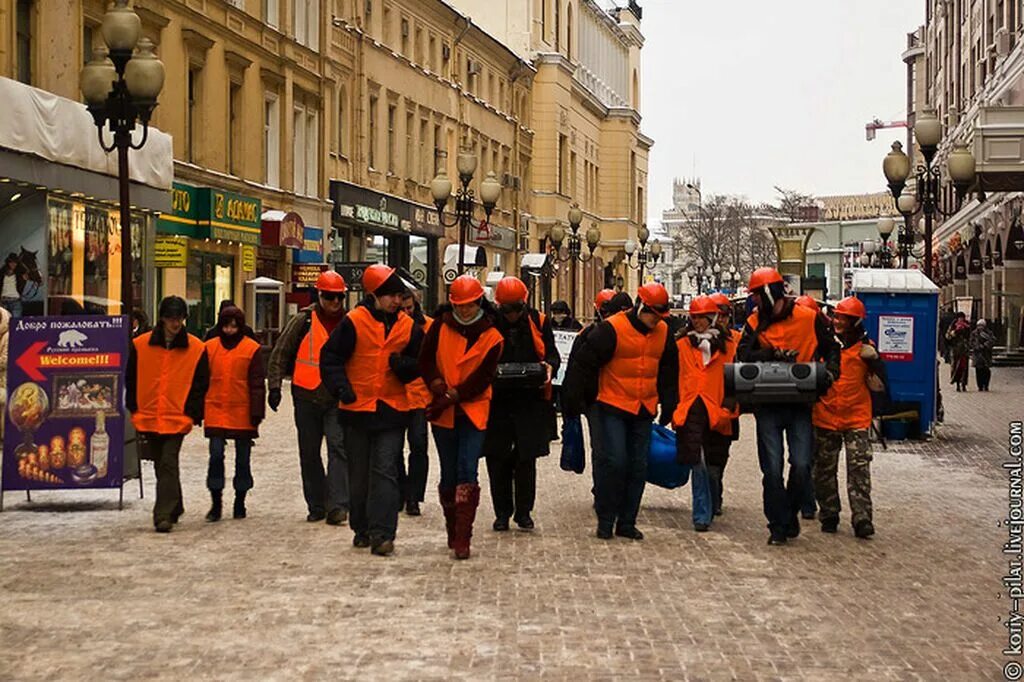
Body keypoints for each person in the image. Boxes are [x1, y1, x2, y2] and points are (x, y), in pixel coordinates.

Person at [319, 265, 422, 556]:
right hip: (357, 409)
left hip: (391, 410)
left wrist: (406, 367)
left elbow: (422, 361)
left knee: (386, 471)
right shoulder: (354, 322)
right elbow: (330, 357)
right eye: (389, 296)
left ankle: (383, 534)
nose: (396, 301)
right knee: (360, 475)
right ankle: (361, 527)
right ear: (374, 295)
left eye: (399, 296)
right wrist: (341, 387)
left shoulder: (407, 326)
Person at [563, 282, 678, 541]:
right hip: (610, 405)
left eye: (661, 317)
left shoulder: (663, 333)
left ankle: (627, 522)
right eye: (654, 315)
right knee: (614, 462)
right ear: (641, 307)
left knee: (638, 466)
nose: (657, 321)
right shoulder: (610, 330)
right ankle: (606, 519)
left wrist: (670, 403)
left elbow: (669, 371)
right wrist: (575, 402)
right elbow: (583, 364)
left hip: (643, 407)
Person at [737, 267, 840, 545]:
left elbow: (832, 347)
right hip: (768, 403)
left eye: (757, 296)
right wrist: (770, 354)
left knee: (803, 464)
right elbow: (742, 356)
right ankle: (777, 526)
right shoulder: (754, 322)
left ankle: (789, 511)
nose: (755, 302)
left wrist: (830, 373)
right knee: (771, 469)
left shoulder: (809, 317)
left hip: (800, 402)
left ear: (770, 293)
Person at [419, 275, 504, 559]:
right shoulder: (440, 325)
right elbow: (426, 359)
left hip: (473, 409)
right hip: (444, 410)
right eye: (460, 305)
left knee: (467, 469)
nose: (464, 310)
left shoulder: (493, 336)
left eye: (469, 305)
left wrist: (454, 395)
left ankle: (463, 536)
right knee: (448, 471)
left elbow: (483, 378)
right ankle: (452, 525)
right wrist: (435, 384)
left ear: (479, 301)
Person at [267, 270, 350, 524]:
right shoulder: (303, 321)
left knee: (338, 449)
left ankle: (337, 505)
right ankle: (316, 503)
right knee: (309, 452)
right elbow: (280, 352)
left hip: (337, 398)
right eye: (329, 297)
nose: (335, 302)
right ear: (319, 295)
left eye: (338, 297)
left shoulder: (351, 322)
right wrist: (274, 386)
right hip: (306, 396)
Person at [126, 296, 210, 533]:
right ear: (162, 319)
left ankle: (162, 514)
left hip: (177, 415)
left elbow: (201, 383)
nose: (176, 323)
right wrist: (133, 406)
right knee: (161, 464)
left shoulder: (196, 348)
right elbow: (130, 378)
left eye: (180, 318)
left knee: (167, 462)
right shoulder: (141, 344)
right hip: (148, 413)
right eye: (172, 318)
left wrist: (192, 412)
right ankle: (175, 504)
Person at [482, 276, 559, 532]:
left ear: (524, 304)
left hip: (530, 401)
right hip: (497, 402)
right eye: (508, 309)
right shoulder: (489, 322)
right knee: (497, 459)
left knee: (526, 460)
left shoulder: (539, 321)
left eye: (516, 308)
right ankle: (502, 513)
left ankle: (524, 512)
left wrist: (548, 367)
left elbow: (552, 355)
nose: (512, 314)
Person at [811, 296, 885, 539]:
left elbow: (881, 386)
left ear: (855, 321)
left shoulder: (866, 349)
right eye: (836, 316)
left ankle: (862, 517)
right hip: (825, 415)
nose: (837, 321)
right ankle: (829, 513)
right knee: (824, 470)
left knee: (859, 470)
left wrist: (874, 362)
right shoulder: (823, 345)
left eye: (843, 318)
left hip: (856, 417)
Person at [668, 296, 736, 532]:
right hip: (690, 410)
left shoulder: (731, 345)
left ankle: (712, 502)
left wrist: (730, 408)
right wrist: (673, 408)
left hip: (718, 411)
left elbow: (736, 381)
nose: (697, 322)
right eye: (694, 317)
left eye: (702, 317)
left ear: (713, 318)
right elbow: (670, 379)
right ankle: (701, 513)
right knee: (698, 463)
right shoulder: (680, 346)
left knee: (714, 465)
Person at [202, 305, 266, 522]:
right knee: (216, 455)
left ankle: (240, 499)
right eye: (226, 326)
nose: (230, 330)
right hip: (216, 409)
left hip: (243, 411)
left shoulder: (251, 349)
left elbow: (257, 384)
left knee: (243, 460)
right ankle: (216, 501)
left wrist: (257, 412)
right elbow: (201, 381)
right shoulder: (210, 348)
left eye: (234, 326)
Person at [566, 289, 631, 500]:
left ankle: (609, 489)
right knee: (604, 449)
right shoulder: (587, 335)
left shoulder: (590, 334)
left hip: (618, 398)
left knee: (611, 450)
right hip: (597, 400)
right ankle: (604, 490)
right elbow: (576, 369)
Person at [706, 292, 742, 517]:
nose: (721, 320)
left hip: (728, 409)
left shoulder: (737, 341)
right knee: (705, 459)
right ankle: (709, 498)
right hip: (703, 405)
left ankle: (714, 490)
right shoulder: (694, 340)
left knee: (719, 457)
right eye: (717, 315)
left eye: (725, 316)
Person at [398, 290, 433, 516]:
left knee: (418, 446)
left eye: (409, 308)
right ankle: (401, 491)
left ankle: (414, 497)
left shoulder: (429, 326)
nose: (406, 312)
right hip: (395, 395)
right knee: (393, 448)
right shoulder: (390, 326)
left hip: (420, 396)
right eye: (402, 309)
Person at [945, 312, 971, 392]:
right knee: (956, 367)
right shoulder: (953, 325)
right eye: (959, 318)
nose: (961, 319)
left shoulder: (967, 325)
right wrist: (955, 331)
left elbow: (970, 336)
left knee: (964, 368)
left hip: (964, 350)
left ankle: (963, 384)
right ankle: (957, 384)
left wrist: (966, 329)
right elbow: (948, 336)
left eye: (962, 318)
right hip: (955, 350)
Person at [970, 318, 996, 391]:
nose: (980, 327)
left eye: (982, 325)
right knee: (978, 371)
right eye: (979, 325)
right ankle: (980, 386)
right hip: (977, 355)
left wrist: (985, 345)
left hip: (986, 354)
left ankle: (986, 385)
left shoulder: (989, 333)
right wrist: (977, 346)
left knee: (986, 371)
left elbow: (992, 340)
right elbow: (971, 342)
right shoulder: (974, 333)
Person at [1, 254, 23, 318]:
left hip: (15, 301)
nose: (13, 264)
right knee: (4, 323)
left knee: (16, 322)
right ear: (8, 262)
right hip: (4, 301)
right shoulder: (2, 273)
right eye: (11, 262)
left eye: (15, 262)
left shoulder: (19, 273)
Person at [0, 305, 9, 439]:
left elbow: (5, 360)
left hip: (3, 380)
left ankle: (3, 437)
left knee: (3, 398)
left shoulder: (8, 335)